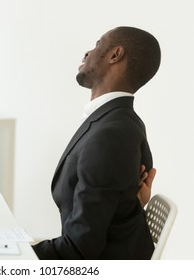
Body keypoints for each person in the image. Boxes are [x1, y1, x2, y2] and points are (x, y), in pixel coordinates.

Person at [32, 26, 160, 259]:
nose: (87, 53)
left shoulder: (111, 135)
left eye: (98, 44)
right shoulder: (120, 120)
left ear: (115, 55)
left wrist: (13, 256)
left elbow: (79, 250)